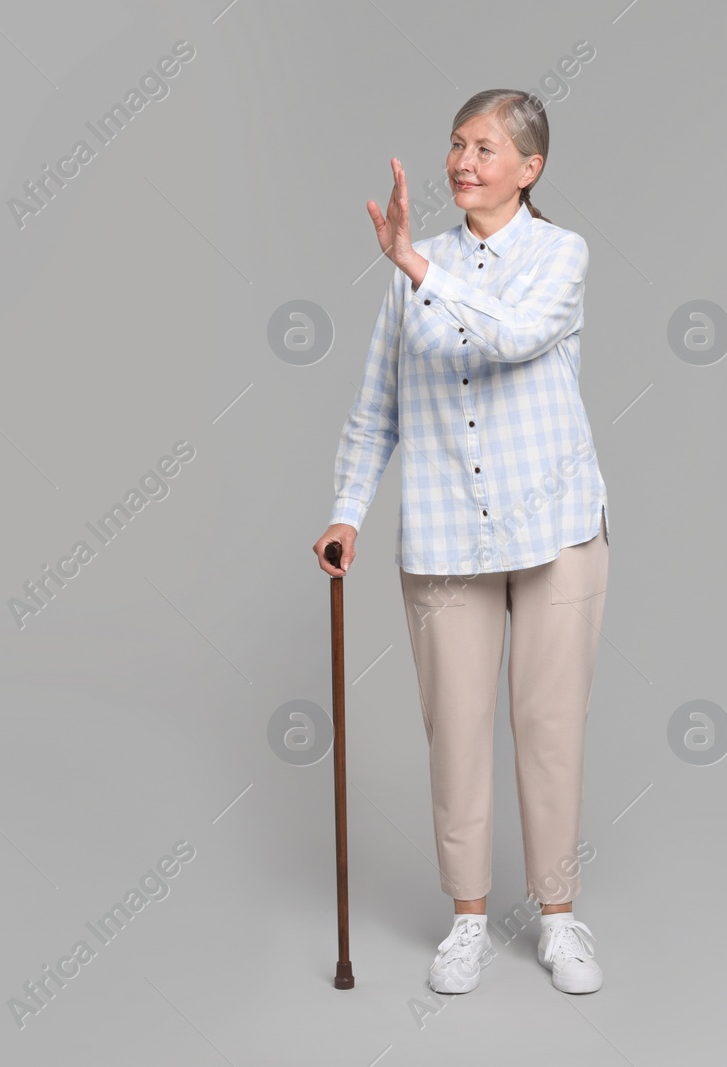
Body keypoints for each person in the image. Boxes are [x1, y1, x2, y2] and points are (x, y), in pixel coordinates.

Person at [312, 89, 610, 995]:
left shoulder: (560, 254)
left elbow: (517, 335)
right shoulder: (415, 270)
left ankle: (559, 919)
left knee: (548, 727)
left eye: (483, 146)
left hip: (557, 532)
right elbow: (378, 409)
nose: (461, 161)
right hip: (444, 536)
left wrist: (416, 267)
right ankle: (468, 919)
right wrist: (346, 510)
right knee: (456, 732)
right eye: (454, 144)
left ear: (531, 167)